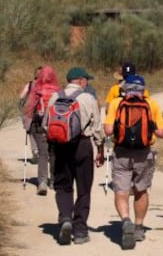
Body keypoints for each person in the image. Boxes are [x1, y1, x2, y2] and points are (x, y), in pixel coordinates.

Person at [104, 74, 163, 250]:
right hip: (144, 154)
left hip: (121, 152)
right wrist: (151, 126)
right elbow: (162, 132)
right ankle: (139, 227)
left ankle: (125, 220)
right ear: (143, 89)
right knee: (141, 190)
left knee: (121, 191)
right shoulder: (151, 104)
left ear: (125, 87)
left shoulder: (117, 103)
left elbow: (108, 130)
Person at [42, 66, 105, 245]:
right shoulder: (88, 98)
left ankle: (65, 219)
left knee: (63, 186)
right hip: (83, 146)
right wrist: (100, 150)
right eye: (86, 80)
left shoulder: (55, 96)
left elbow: (47, 124)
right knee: (84, 189)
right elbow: (97, 128)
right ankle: (80, 231)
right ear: (81, 80)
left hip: (61, 147)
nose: (87, 83)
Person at [22, 65, 60, 195]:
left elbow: (28, 109)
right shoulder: (58, 91)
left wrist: (28, 125)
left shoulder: (36, 90)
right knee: (54, 154)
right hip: (55, 127)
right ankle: (54, 181)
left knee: (43, 154)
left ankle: (42, 182)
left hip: (39, 126)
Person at [20, 66, 42, 164]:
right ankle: (43, 153)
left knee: (31, 132)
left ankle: (35, 152)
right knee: (41, 132)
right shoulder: (45, 86)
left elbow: (21, 96)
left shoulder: (29, 84)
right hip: (41, 112)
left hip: (29, 112)